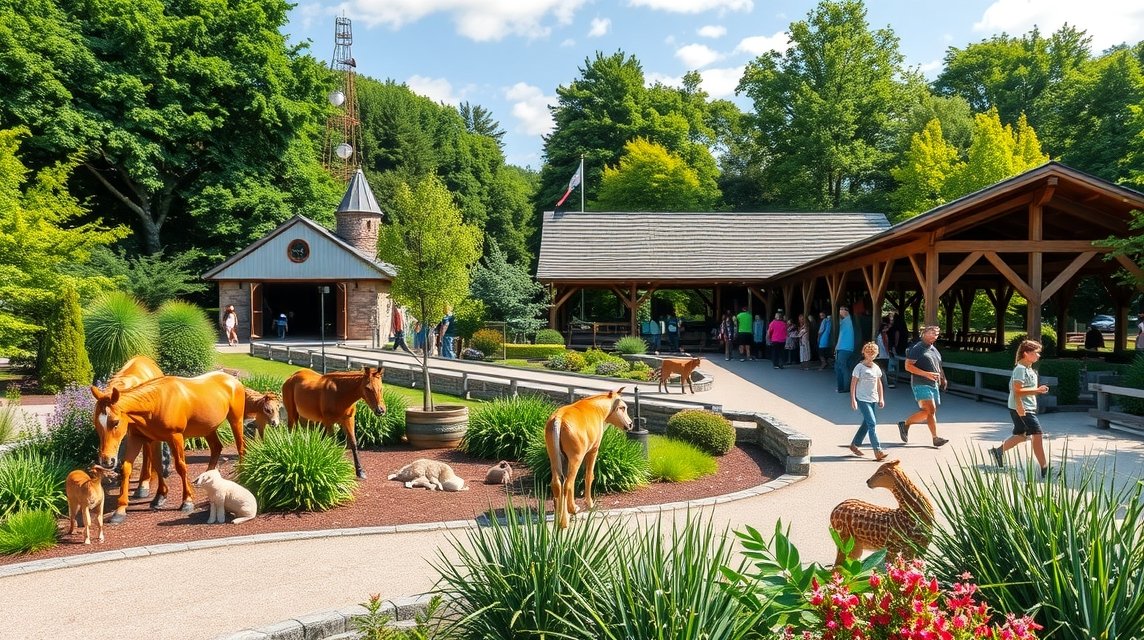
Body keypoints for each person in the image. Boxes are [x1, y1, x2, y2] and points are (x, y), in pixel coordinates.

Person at [989, 339, 1051, 478]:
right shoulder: (1020, 369)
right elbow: (1017, 390)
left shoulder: (1028, 368)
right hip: (1022, 408)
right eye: (1036, 353)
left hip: (1023, 407)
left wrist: (1036, 390)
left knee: (1021, 436)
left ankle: (998, 452)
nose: (1038, 356)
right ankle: (1045, 468)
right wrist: (1036, 391)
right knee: (1037, 435)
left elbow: (1021, 389)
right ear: (1026, 353)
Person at [897, 325, 949, 447]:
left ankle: (905, 424)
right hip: (920, 383)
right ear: (924, 333)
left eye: (936, 334)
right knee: (931, 410)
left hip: (933, 383)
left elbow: (939, 366)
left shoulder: (933, 349)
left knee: (928, 412)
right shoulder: (917, 348)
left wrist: (943, 378)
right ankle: (935, 438)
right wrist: (927, 374)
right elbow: (908, 366)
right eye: (931, 332)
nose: (934, 336)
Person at [849, 341, 888, 460]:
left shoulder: (876, 368)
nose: (871, 355)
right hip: (862, 398)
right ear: (864, 353)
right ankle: (878, 450)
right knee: (872, 423)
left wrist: (881, 398)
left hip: (873, 398)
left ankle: (854, 444)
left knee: (866, 423)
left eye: (873, 353)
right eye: (868, 352)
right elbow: (853, 383)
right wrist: (853, 399)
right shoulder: (859, 367)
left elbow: (879, 383)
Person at [834, 307, 854, 392]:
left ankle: (844, 388)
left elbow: (841, 337)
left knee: (841, 368)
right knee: (841, 367)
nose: (840, 311)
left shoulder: (847, 321)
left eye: (842, 310)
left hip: (844, 348)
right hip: (844, 348)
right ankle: (842, 387)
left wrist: (836, 348)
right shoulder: (845, 322)